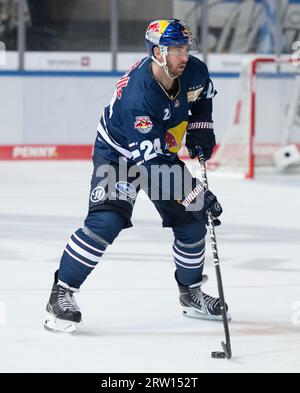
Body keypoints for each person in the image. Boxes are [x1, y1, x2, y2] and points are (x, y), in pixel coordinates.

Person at [44, 18, 230, 334]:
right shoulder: (140, 95)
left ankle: (191, 293)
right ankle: (61, 292)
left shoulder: (194, 71)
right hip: (119, 155)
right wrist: (196, 193)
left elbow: (202, 98)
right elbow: (152, 165)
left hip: (159, 154)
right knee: (106, 221)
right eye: (175, 50)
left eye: (186, 48)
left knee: (191, 221)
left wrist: (201, 127)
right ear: (157, 52)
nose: (184, 56)